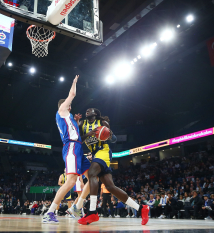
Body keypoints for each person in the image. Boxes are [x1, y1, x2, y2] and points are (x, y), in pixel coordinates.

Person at [77, 108, 149, 225]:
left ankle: (92, 212)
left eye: (91, 110)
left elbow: (114, 139)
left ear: (95, 113)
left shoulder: (102, 123)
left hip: (104, 151)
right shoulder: (82, 124)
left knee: (91, 174)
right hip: (95, 154)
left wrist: (109, 135)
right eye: (87, 110)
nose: (87, 110)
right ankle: (141, 209)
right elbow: (79, 140)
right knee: (110, 187)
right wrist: (89, 134)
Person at [42, 76, 91, 224]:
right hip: (70, 148)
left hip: (78, 148)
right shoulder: (62, 111)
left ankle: (77, 207)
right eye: (67, 104)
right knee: (70, 182)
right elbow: (72, 95)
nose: (70, 106)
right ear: (62, 105)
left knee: (94, 178)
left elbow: (76, 134)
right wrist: (74, 82)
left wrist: (76, 122)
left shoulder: (69, 118)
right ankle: (50, 212)